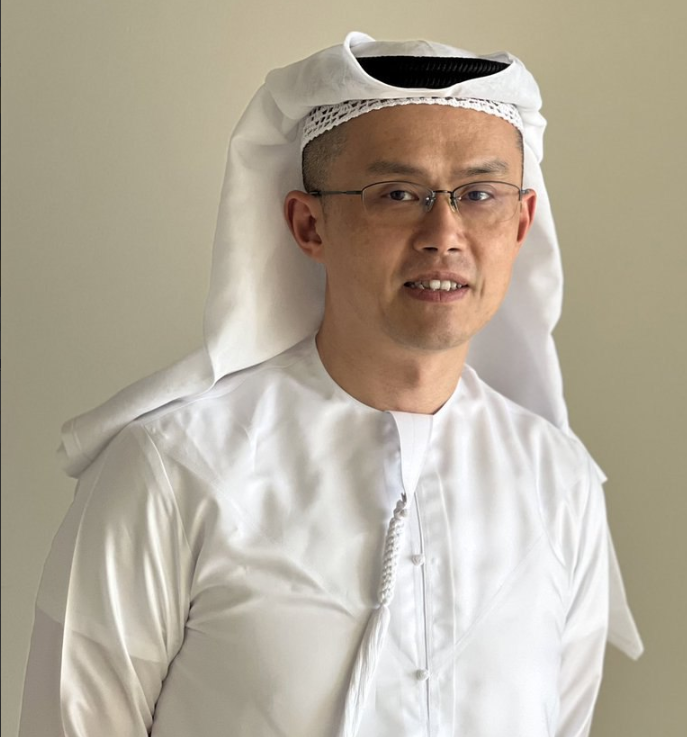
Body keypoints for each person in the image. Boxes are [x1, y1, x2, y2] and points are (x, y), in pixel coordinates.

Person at [19, 32, 642, 737]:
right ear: (309, 224)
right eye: (398, 194)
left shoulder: (560, 483)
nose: (444, 233)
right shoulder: (170, 470)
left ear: (521, 222)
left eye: (478, 194)